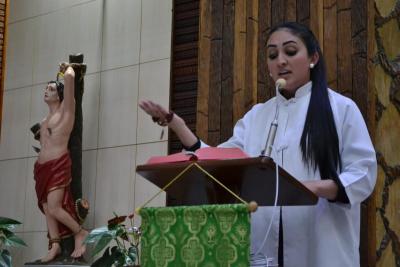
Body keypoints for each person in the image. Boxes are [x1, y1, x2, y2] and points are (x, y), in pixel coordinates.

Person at [140, 21, 377, 267]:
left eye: (291, 51)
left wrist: (314, 188)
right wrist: (176, 123)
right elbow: (218, 161)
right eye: (272, 55)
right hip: (264, 250)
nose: (280, 61)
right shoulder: (257, 116)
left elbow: (364, 173)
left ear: (313, 58)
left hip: (322, 248)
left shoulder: (341, 109)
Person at [33, 63, 88, 262]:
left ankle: (80, 232)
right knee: (47, 207)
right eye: (46, 89)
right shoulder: (43, 120)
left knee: (55, 207)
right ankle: (55, 244)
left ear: (60, 94)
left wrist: (68, 68)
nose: (46, 91)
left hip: (58, 164)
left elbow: (70, 79)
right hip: (42, 168)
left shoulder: (66, 112)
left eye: (51, 89)